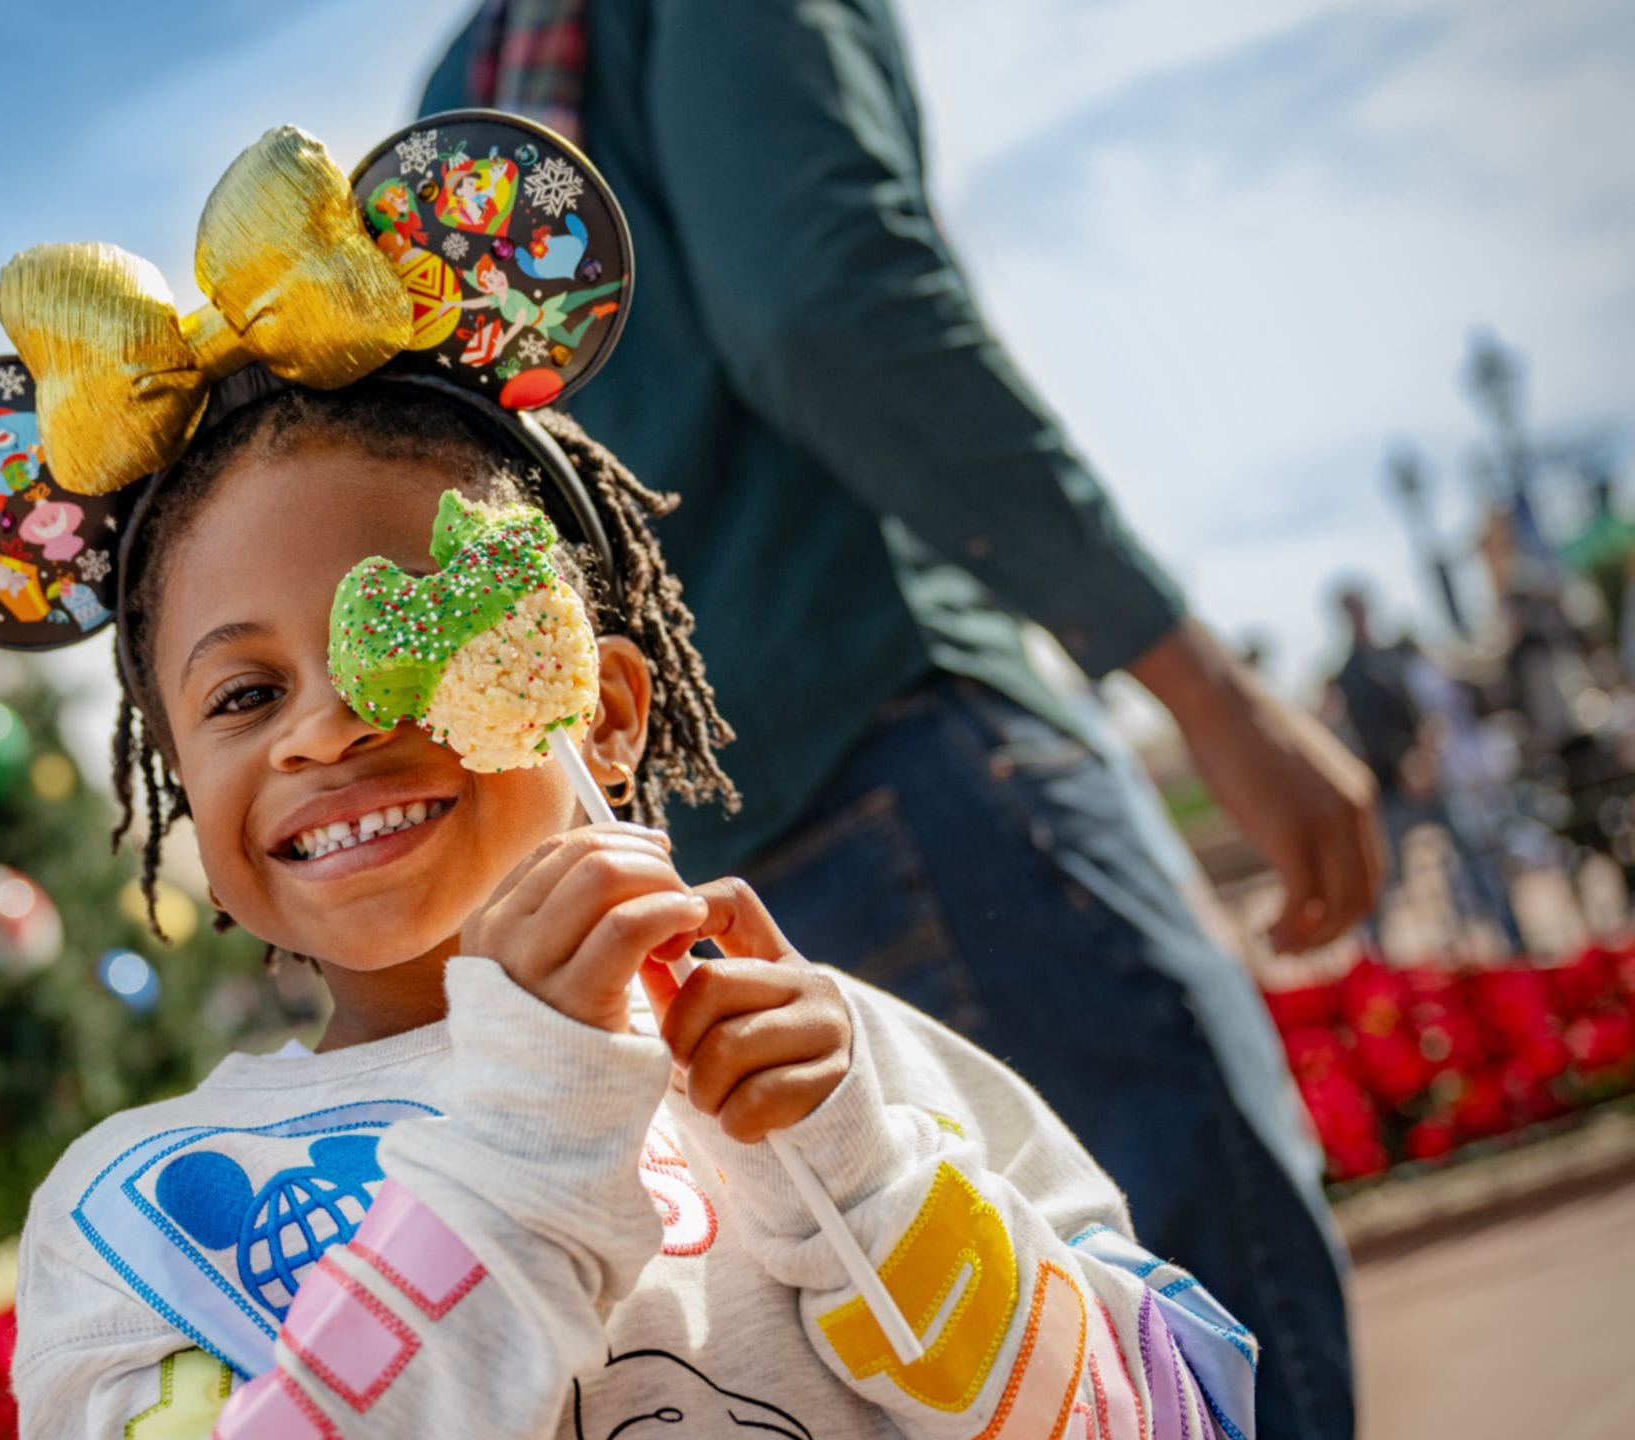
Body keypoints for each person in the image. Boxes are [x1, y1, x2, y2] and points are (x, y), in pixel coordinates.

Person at [423, 5, 1370, 1437]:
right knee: (1195, 1354)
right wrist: (1206, 689)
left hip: (685, 864)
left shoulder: (469, 89)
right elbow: (826, 305)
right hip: (912, 745)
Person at [6, 377, 1259, 1439]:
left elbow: (1150, 1420)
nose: (327, 724)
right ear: (179, 782)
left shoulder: (842, 1066)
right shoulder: (140, 1205)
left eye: (402, 631)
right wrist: (517, 1150)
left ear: (598, 712)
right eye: (241, 695)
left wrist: (871, 1184)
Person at [1332, 585, 1526, 953]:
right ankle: (1378, 964)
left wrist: (1425, 757)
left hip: (1431, 778)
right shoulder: (1348, 674)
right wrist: (1404, 765)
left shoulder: (1397, 657)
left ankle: (1513, 942)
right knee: (1384, 879)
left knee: (1476, 856)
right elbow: (1367, 734)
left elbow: (1426, 711)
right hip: (1390, 788)